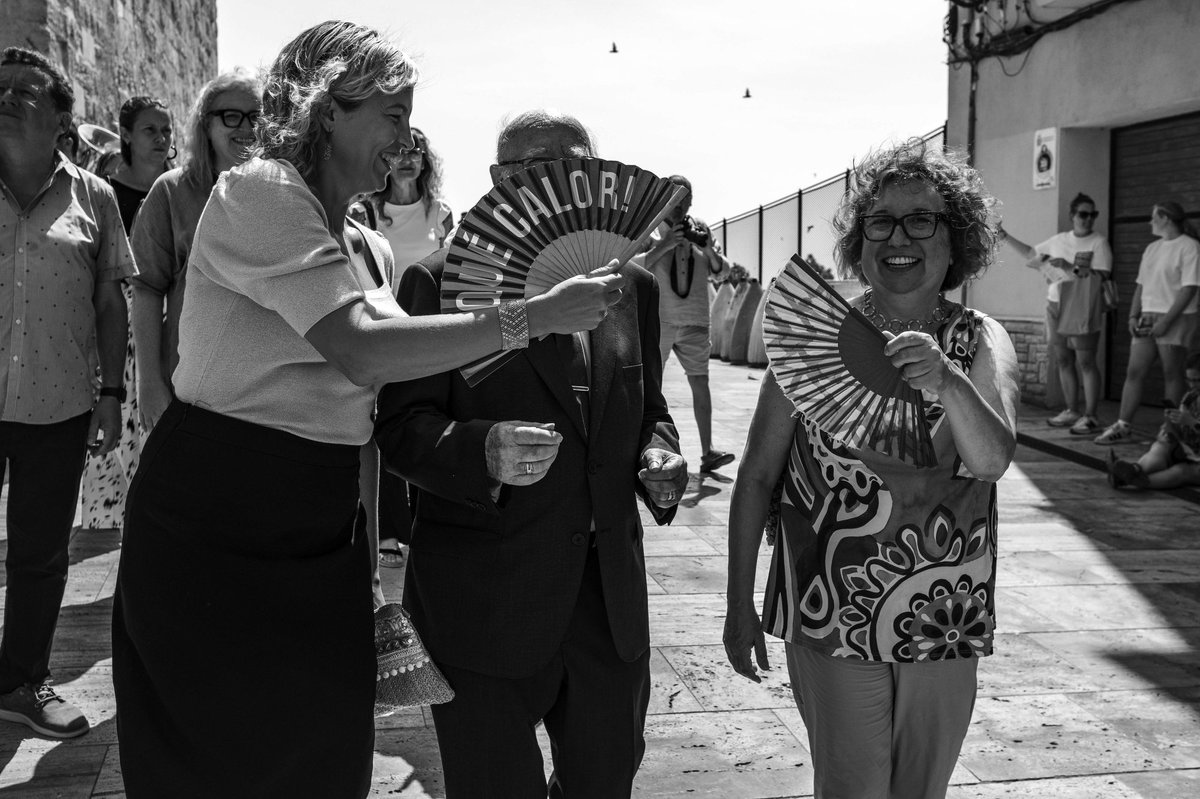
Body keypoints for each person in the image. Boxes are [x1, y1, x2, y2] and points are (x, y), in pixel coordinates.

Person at [110, 22, 623, 798]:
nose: (407, 139)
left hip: (320, 523)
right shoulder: (259, 191)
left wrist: (375, 575)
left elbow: (362, 422)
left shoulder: (366, 244)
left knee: (323, 759)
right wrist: (533, 316)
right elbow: (362, 347)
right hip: (214, 519)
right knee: (217, 761)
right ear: (327, 107)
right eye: (394, 113)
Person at [374, 109, 688, 799]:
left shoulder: (630, 289)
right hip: (482, 610)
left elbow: (648, 410)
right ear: (496, 182)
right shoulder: (436, 282)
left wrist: (659, 456)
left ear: (596, 179)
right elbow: (400, 431)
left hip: (607, 614)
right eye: (526, 168)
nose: (549, 180)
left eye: (568, 164)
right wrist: (481, 450)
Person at [724, 139, 1019, 799]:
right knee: (853, 788)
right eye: (880, 221)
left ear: (956, 241)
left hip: (947, 610)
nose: (898, 235)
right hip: (827, 608)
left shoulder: (980, 338)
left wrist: (946, 381)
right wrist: (737, 604)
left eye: (922, 219)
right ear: (860, 240)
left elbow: (992, 457)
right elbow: (757, 477)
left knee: (920, 790)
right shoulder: (812, 337)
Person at [0, 47, 133, 738]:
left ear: (61, 118)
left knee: (41, 553)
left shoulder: (96, 197)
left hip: (59, 405)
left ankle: (21, 680)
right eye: (0, 88)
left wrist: (112, 392)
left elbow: (110, 303)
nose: (9, 96)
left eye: (27, 88)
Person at [130, 69, 262, 432]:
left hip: (265, 393)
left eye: (256, 116)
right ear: (206, 124)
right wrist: (150, 382)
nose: (246, 127)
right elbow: (146, 289)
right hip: (187, 385)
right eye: (231, 116)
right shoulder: (171, 191)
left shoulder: (281, 193)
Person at [77, 95, 174, 531]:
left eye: (167, 130)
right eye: (151, 130)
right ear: (127, 137)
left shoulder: (177, 190)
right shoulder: (105, 193)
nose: (162, 138)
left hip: (161, 331)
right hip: (117, 331)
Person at [365, 125, 454, 572]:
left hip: (426, 330)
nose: (405, 159)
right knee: (382, 427)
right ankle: (384, 530)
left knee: (425, 422)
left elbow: (452, 274)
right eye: (397, 151)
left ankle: (419, 522)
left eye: (414, 152)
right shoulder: (368, 211)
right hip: (382, 330)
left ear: (424, 160)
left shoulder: (441, 213)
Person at [636, 175, 735, 472]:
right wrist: (664, 245)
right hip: (659, 319)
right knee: (652, 386)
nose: (681, 207)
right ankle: (646, 447)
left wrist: (707, 249)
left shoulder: (701, 230)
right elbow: (632, 267)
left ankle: (708, 452)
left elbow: (723, 271)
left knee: (700, 383)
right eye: (675, 199)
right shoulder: (649, 228)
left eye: (686, 200)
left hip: (695, 320)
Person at [998, 193, 1112, 435]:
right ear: (1072, 216)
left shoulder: (1098, 243)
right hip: (1055, 303)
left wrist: (1070, 267)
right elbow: (1032, 254)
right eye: (1083, 214)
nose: (1088, 219)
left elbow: (1103, 277)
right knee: (1063, 359)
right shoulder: (1060, 240)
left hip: (1082, 306)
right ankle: (1072, 410)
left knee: (1086, 361)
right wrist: (1004, 236)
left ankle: (1091, 416)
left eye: (1093, 215)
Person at [1093, 201, 1200, 444]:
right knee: (1134, 372)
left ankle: (1171, 430)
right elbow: (1141, 285)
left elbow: (1190, 288)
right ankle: (1123, 425)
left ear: (1165, 218)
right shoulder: (1152, 248)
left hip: (1177, 317)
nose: (1150, 222)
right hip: (1148, 316)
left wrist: (1167, 322)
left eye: (1154, 217)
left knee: (1172, 374)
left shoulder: (1190, 247)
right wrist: (1133, 315)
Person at [1107, 351, 1200, 490]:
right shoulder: (1190, 398)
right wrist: (1169, 429)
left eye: (1197, 380)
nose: (1192, 385)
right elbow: (1180, 429)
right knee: (1160, 447)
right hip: (1190, 451)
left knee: (1182, 471)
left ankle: (1129, 479)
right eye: (1189, 380)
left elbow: (1191, 424)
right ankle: (1135, 469)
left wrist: (1192, 423)